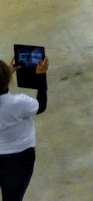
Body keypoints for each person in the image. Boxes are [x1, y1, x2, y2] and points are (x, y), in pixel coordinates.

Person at [0, 51, 47, 201]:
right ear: (7, 80)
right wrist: (41, 76)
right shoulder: (18, 103)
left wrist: (7, 71)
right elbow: (41, 106)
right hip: (19, 159)